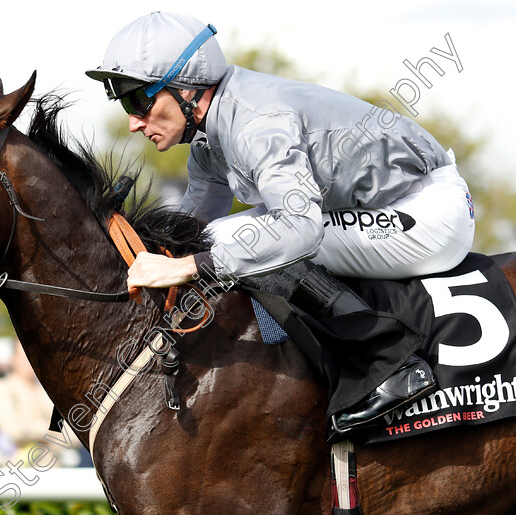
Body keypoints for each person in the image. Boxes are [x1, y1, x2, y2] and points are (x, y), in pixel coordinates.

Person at [86, 12, 475, 435]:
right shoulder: (209, 138)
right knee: (218, 239)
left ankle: (391, 363)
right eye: (125, 105)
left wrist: (186, 267)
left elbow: (299, 229)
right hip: (388, 206)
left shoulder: (255, 124)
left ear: (185, 88)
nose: (133, 122)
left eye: (139, 101)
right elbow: (193, 227)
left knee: (245, 240)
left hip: (427, 213)